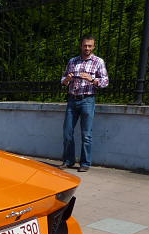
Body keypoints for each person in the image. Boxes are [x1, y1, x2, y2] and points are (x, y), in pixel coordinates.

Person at [59, 34, 108, 172]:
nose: (87, 48)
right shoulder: (73, 61)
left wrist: (92, 79)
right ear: (81, 46)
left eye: (90, 46)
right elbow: (63, 80)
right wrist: (67, 79)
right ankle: (68, 161)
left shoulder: (98, 61)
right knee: (67, 132)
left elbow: (105, 82)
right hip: (72, 99)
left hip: (88, 100)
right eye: (85, 45)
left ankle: (85, 163)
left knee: (86, 134)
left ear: (94, 46)